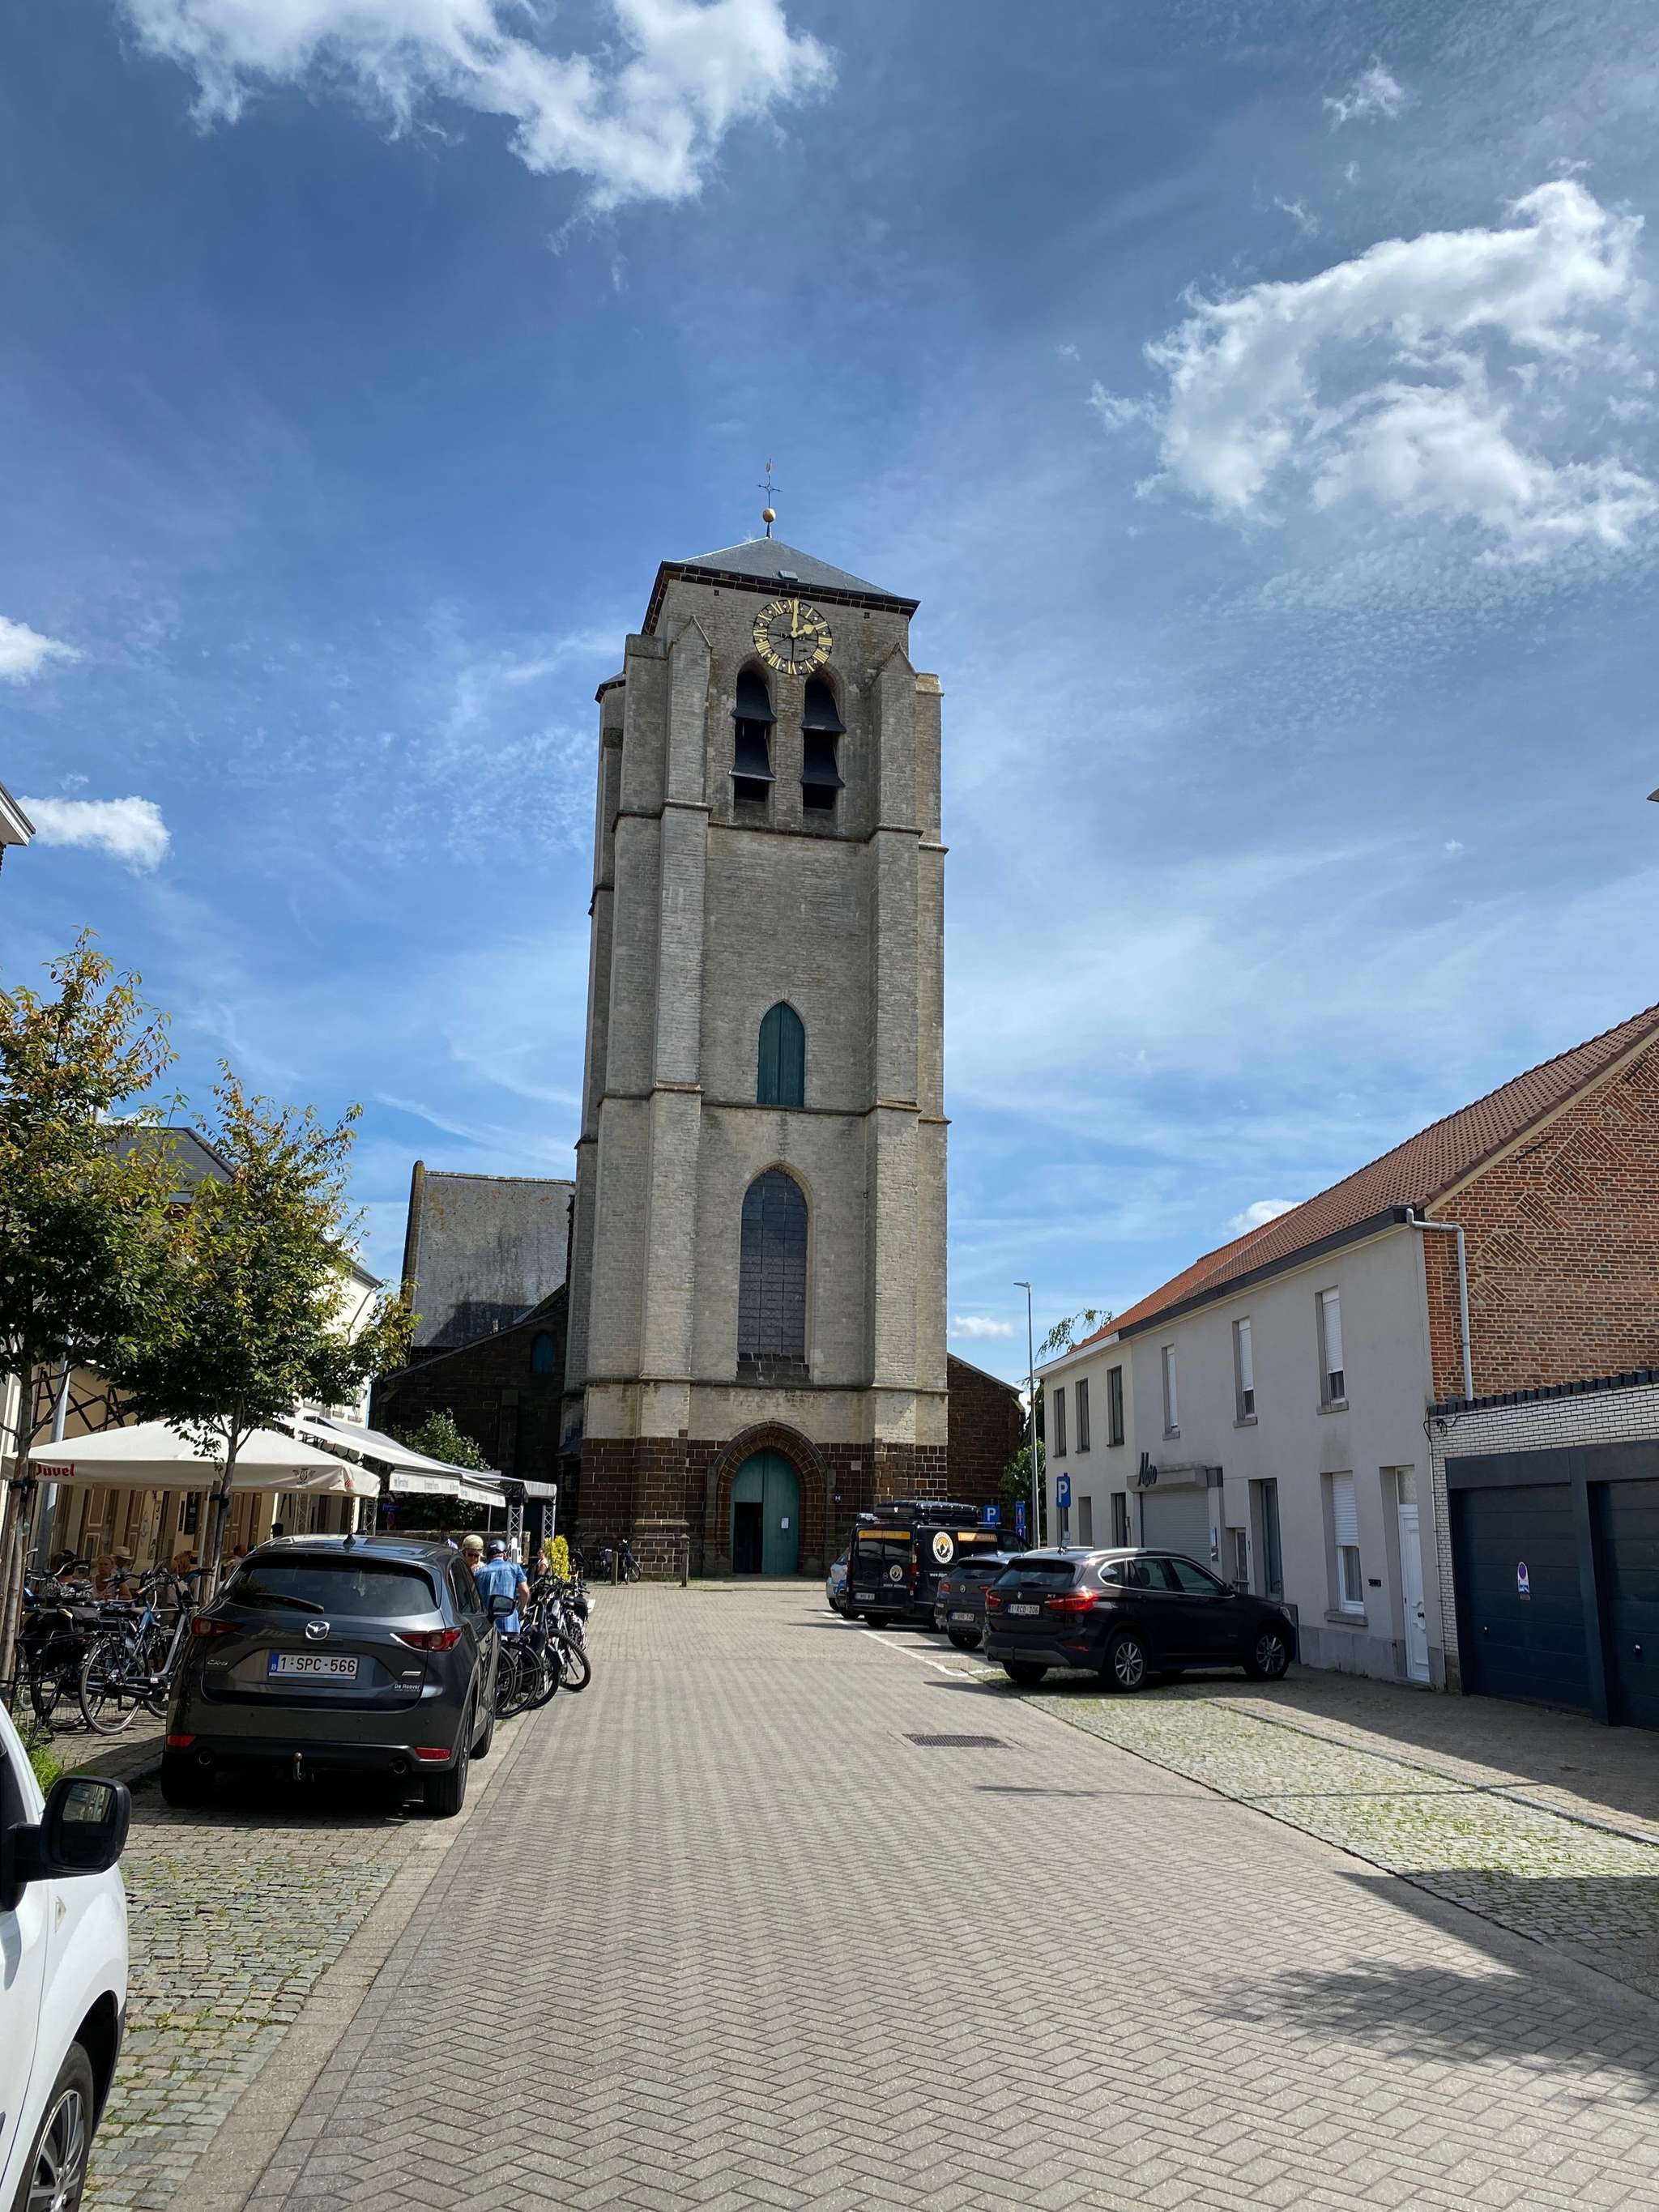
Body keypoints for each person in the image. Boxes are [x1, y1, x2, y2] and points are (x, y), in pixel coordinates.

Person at [473, 1536, 530, 1634]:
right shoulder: (514, 1568)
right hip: (509, 1624)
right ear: (505, 1554)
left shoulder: (479, 1573)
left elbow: (474, 1598)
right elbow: (525, 1591)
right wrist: (522, 1609)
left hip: (487, 1626)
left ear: (488, 1556)